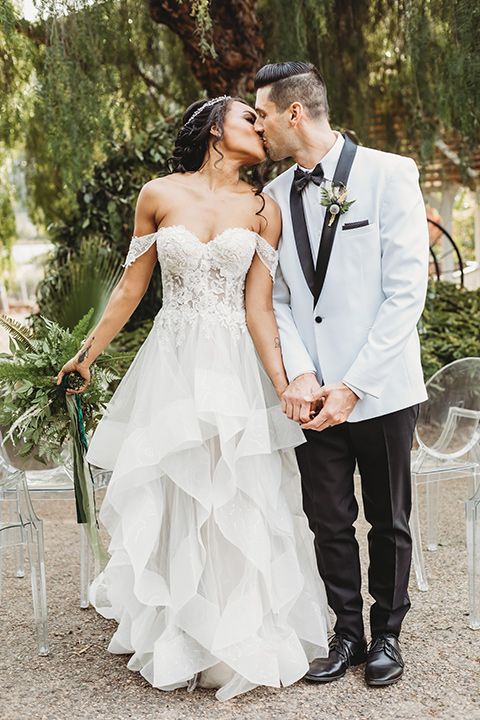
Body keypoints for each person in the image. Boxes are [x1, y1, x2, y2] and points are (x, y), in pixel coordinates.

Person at [56, 96, 330, 701]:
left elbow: (259, 308)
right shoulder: (158, 194)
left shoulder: (263, 210)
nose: (260, 129)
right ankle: (177, 629)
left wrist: (284, 383)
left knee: (236, 487)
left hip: (233, 361)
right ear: (213, 130)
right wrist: (87, 354)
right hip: (173, 358)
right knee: (175, 483)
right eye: (248, 120)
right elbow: (132, 286)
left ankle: (234, 633)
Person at [253, 62, 429, 686]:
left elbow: (407, 293)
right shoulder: (271, 198)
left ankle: (387, 635)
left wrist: (353, 385)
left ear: (293, 112)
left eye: (264, 114)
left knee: (388, 518)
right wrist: (301, 375)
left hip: (378, 389)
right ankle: (346, 632)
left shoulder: (390, 173)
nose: (259, 127)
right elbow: (276, 300)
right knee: (326, 518)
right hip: (312, 396)